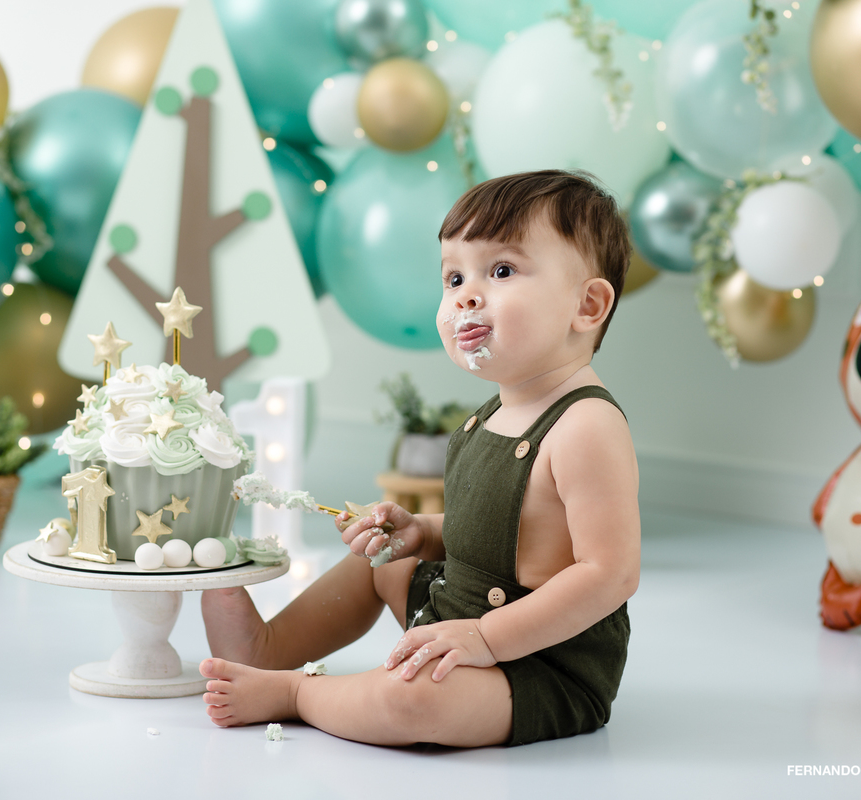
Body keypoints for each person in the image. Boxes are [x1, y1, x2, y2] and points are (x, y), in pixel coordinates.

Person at [199, 170, 641, 747]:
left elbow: (608, 573)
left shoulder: (586, 425)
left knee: (413, 701)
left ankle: (297, 692)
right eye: (454, 277)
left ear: (587, 304)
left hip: (537, 665)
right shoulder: (492, 414)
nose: (466, 295)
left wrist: (486, 639)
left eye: (501, 271)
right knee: (381, 561)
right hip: (454, 613)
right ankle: (267, 648)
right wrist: (423, 534)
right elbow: (504, 531)